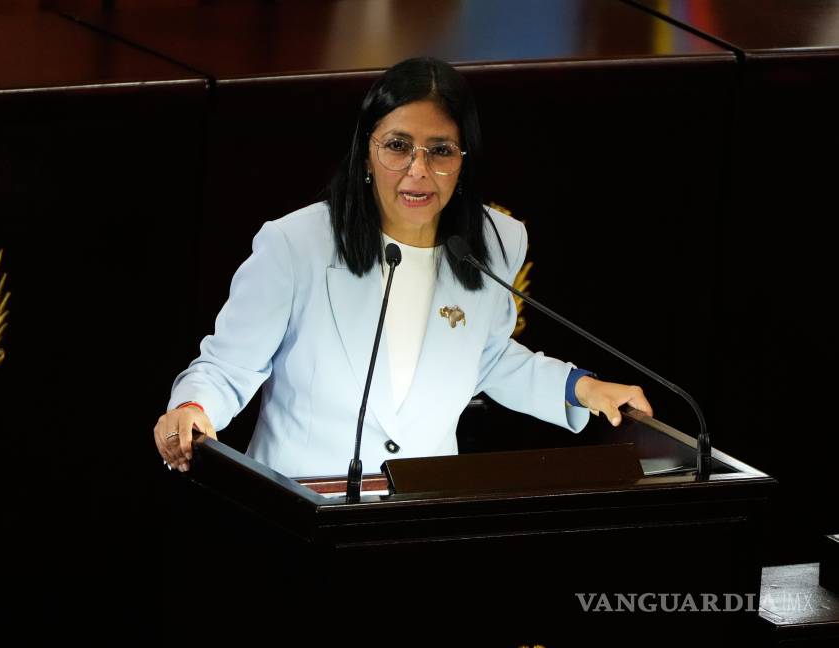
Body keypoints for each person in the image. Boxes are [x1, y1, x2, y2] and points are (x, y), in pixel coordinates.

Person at [154, 57, 652, 478]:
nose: (418, 171)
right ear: (366, 152)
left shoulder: (497, 241)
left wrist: (579, 388)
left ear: (463, 159)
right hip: (302, 509)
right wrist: (193, 409)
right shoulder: (295, 245)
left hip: (419, 511)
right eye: (397, 146)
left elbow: (487, 357)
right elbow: (229, 367)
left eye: (439, 151)